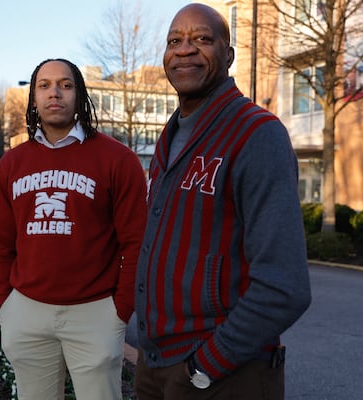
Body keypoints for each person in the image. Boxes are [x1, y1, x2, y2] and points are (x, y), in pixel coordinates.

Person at [134, 4, 312, 399]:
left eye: (201, 39)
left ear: (228, 55)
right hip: (155, 366)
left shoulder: (256, 134)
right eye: (174, 41)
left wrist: (205, 366)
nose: (184, 50)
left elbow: (286, 287)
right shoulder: (169, 139)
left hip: (222, 374)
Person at [0, 58, 147, 400]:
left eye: (65, 84)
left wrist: (119, 310)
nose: (54, 93)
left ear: (79, 94)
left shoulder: (118, 159)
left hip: (95, 312)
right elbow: (1, 243)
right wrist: (5, 303)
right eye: (44, 85)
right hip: (26, 311)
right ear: (33, 98)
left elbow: (136, 243)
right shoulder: (13, 163)